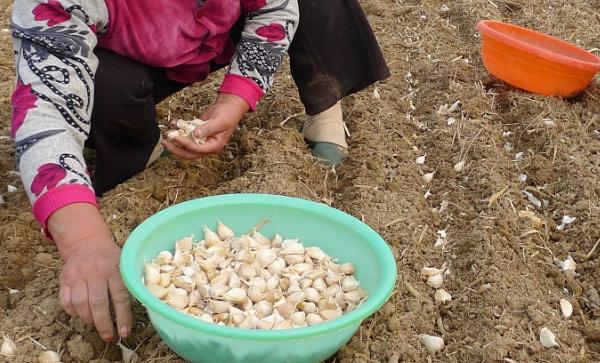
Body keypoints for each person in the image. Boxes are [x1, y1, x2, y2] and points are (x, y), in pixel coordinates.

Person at [10, 0, 389, 342]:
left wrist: (235, 100)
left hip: (221, 32)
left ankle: (325, 105)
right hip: (134, 53)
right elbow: (47, 108)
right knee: (106, 87)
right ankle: (134, 142)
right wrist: (82, 240)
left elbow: (275, 10)